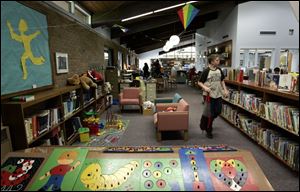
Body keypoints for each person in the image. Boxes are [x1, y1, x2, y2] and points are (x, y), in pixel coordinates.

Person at [198, 54, 229, 139]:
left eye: (218, 60)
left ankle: (204, 119)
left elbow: (222, 80)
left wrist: (225, 90)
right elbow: (199, 82)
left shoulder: (219, 70)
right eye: (217, 60)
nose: (219, 61)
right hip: (209, 95)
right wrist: (205, 87)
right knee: (210, 113)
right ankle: (209, 130)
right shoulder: (206, 71)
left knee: (218, 111)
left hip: (218, 94)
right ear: (212, 61)